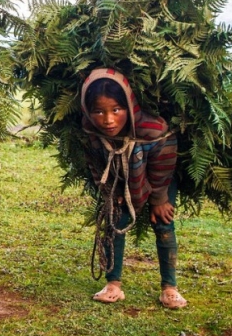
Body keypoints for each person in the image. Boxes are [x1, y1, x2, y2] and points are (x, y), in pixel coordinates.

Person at [80, 68, 187, 309]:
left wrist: (159, 198)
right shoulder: (90, 130)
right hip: (119, 179)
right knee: (114, 220)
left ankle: (169, 288)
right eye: (99, 111)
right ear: (88, 111)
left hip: (160, 179)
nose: (108, 120)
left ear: (129, 105)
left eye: (116, 110)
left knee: (163, 223)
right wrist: (112, 192)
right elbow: (95, 164)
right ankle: (113, 285)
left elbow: (164, 164)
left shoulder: (153, 129)